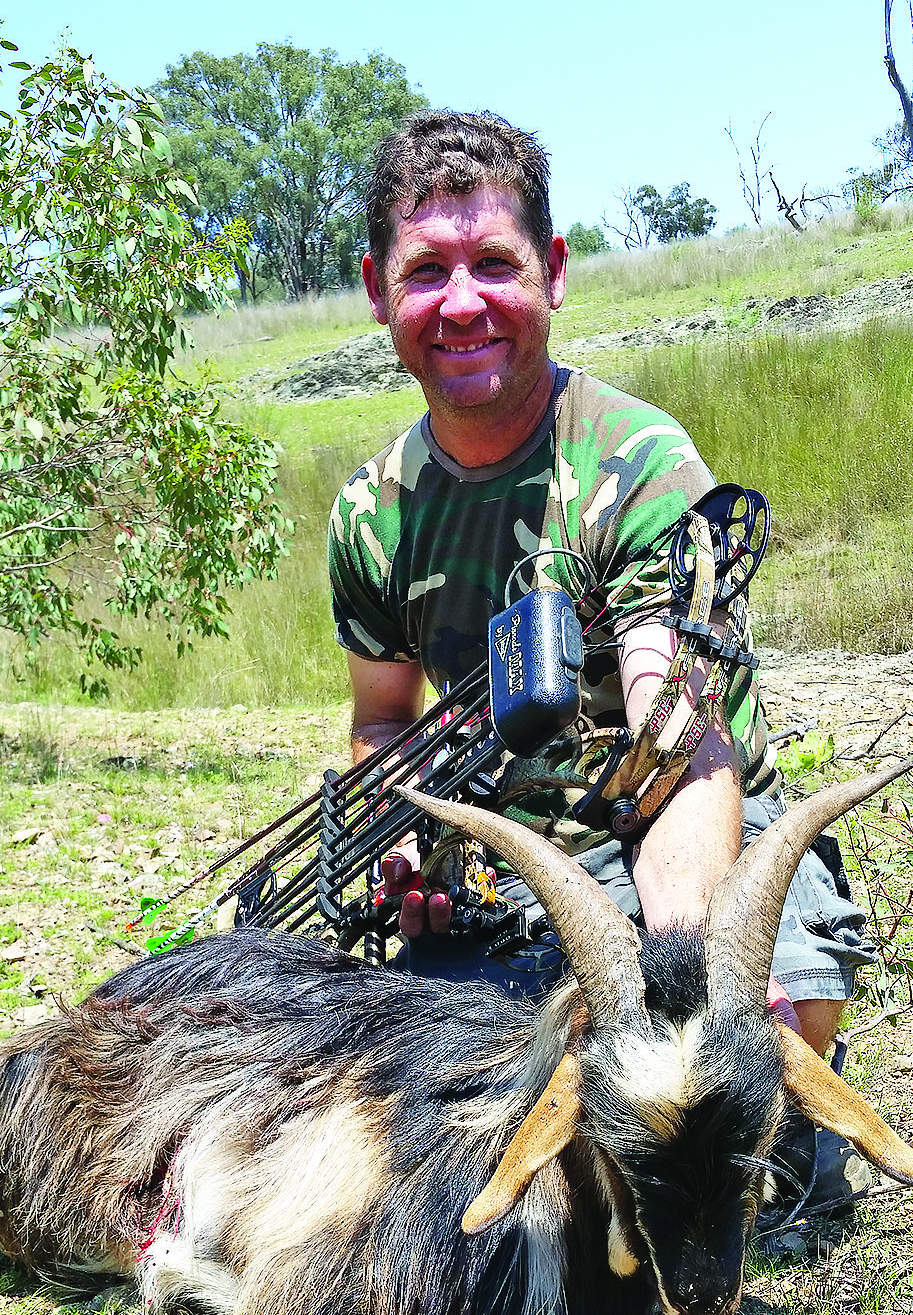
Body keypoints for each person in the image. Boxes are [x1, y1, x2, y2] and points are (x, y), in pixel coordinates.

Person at [328, 111, 874, 1203]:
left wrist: (670, 983)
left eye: (494, 263)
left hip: (681, 824)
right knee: (415, 1101)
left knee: (774, 1009)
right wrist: (403, 846)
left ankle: (722, 1113)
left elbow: (678, 735)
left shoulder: (634, 459)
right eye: (426, 270)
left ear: (554, 272)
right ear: (377, 288)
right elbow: (383, 718)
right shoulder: (368, 514)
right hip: (516, 856)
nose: (462, 301)